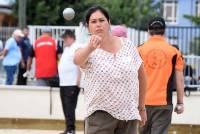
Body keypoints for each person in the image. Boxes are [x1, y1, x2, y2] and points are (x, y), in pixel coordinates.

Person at [74, 5, 147, 134]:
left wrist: (141, 108)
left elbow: (142, 76)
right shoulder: (86, 48)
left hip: (128, 115)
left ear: (109, 23)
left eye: (102, 20)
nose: (98, 25)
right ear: (88, 26)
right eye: (93, 21)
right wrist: (91, 48)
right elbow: (77, 60)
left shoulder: (128, 45)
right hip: (99, 115)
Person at [138, 16, 184, 134]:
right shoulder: (174, 52)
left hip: (141, 104)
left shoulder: (139, 50)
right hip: (163, 104)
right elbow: (179, 80)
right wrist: (180, 102)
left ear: (149, 30)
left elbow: (131, 78)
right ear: (164, 30)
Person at [58, 30, 81, 134]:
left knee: (70, 107)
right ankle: (68, 128)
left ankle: (71, 129)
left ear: (70, 37)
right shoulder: (67, 48)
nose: (63, 40)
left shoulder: (77, 47)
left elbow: (80, 63)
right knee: (65, 106)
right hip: (64, 83)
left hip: (72, 83)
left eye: (65, 38)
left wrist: (78, 80)